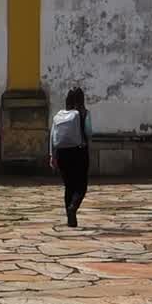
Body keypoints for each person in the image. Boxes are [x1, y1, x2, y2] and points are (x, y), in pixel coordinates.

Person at [49, 88, 92, 227]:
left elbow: (52, 136)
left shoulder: (59, 115)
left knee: (69, 186)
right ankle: (73, 207)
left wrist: (52, 155)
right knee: (81, 185)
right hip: (79, 152)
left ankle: (70, 219)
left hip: (61, 153)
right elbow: (89, 132)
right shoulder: (84, 113)